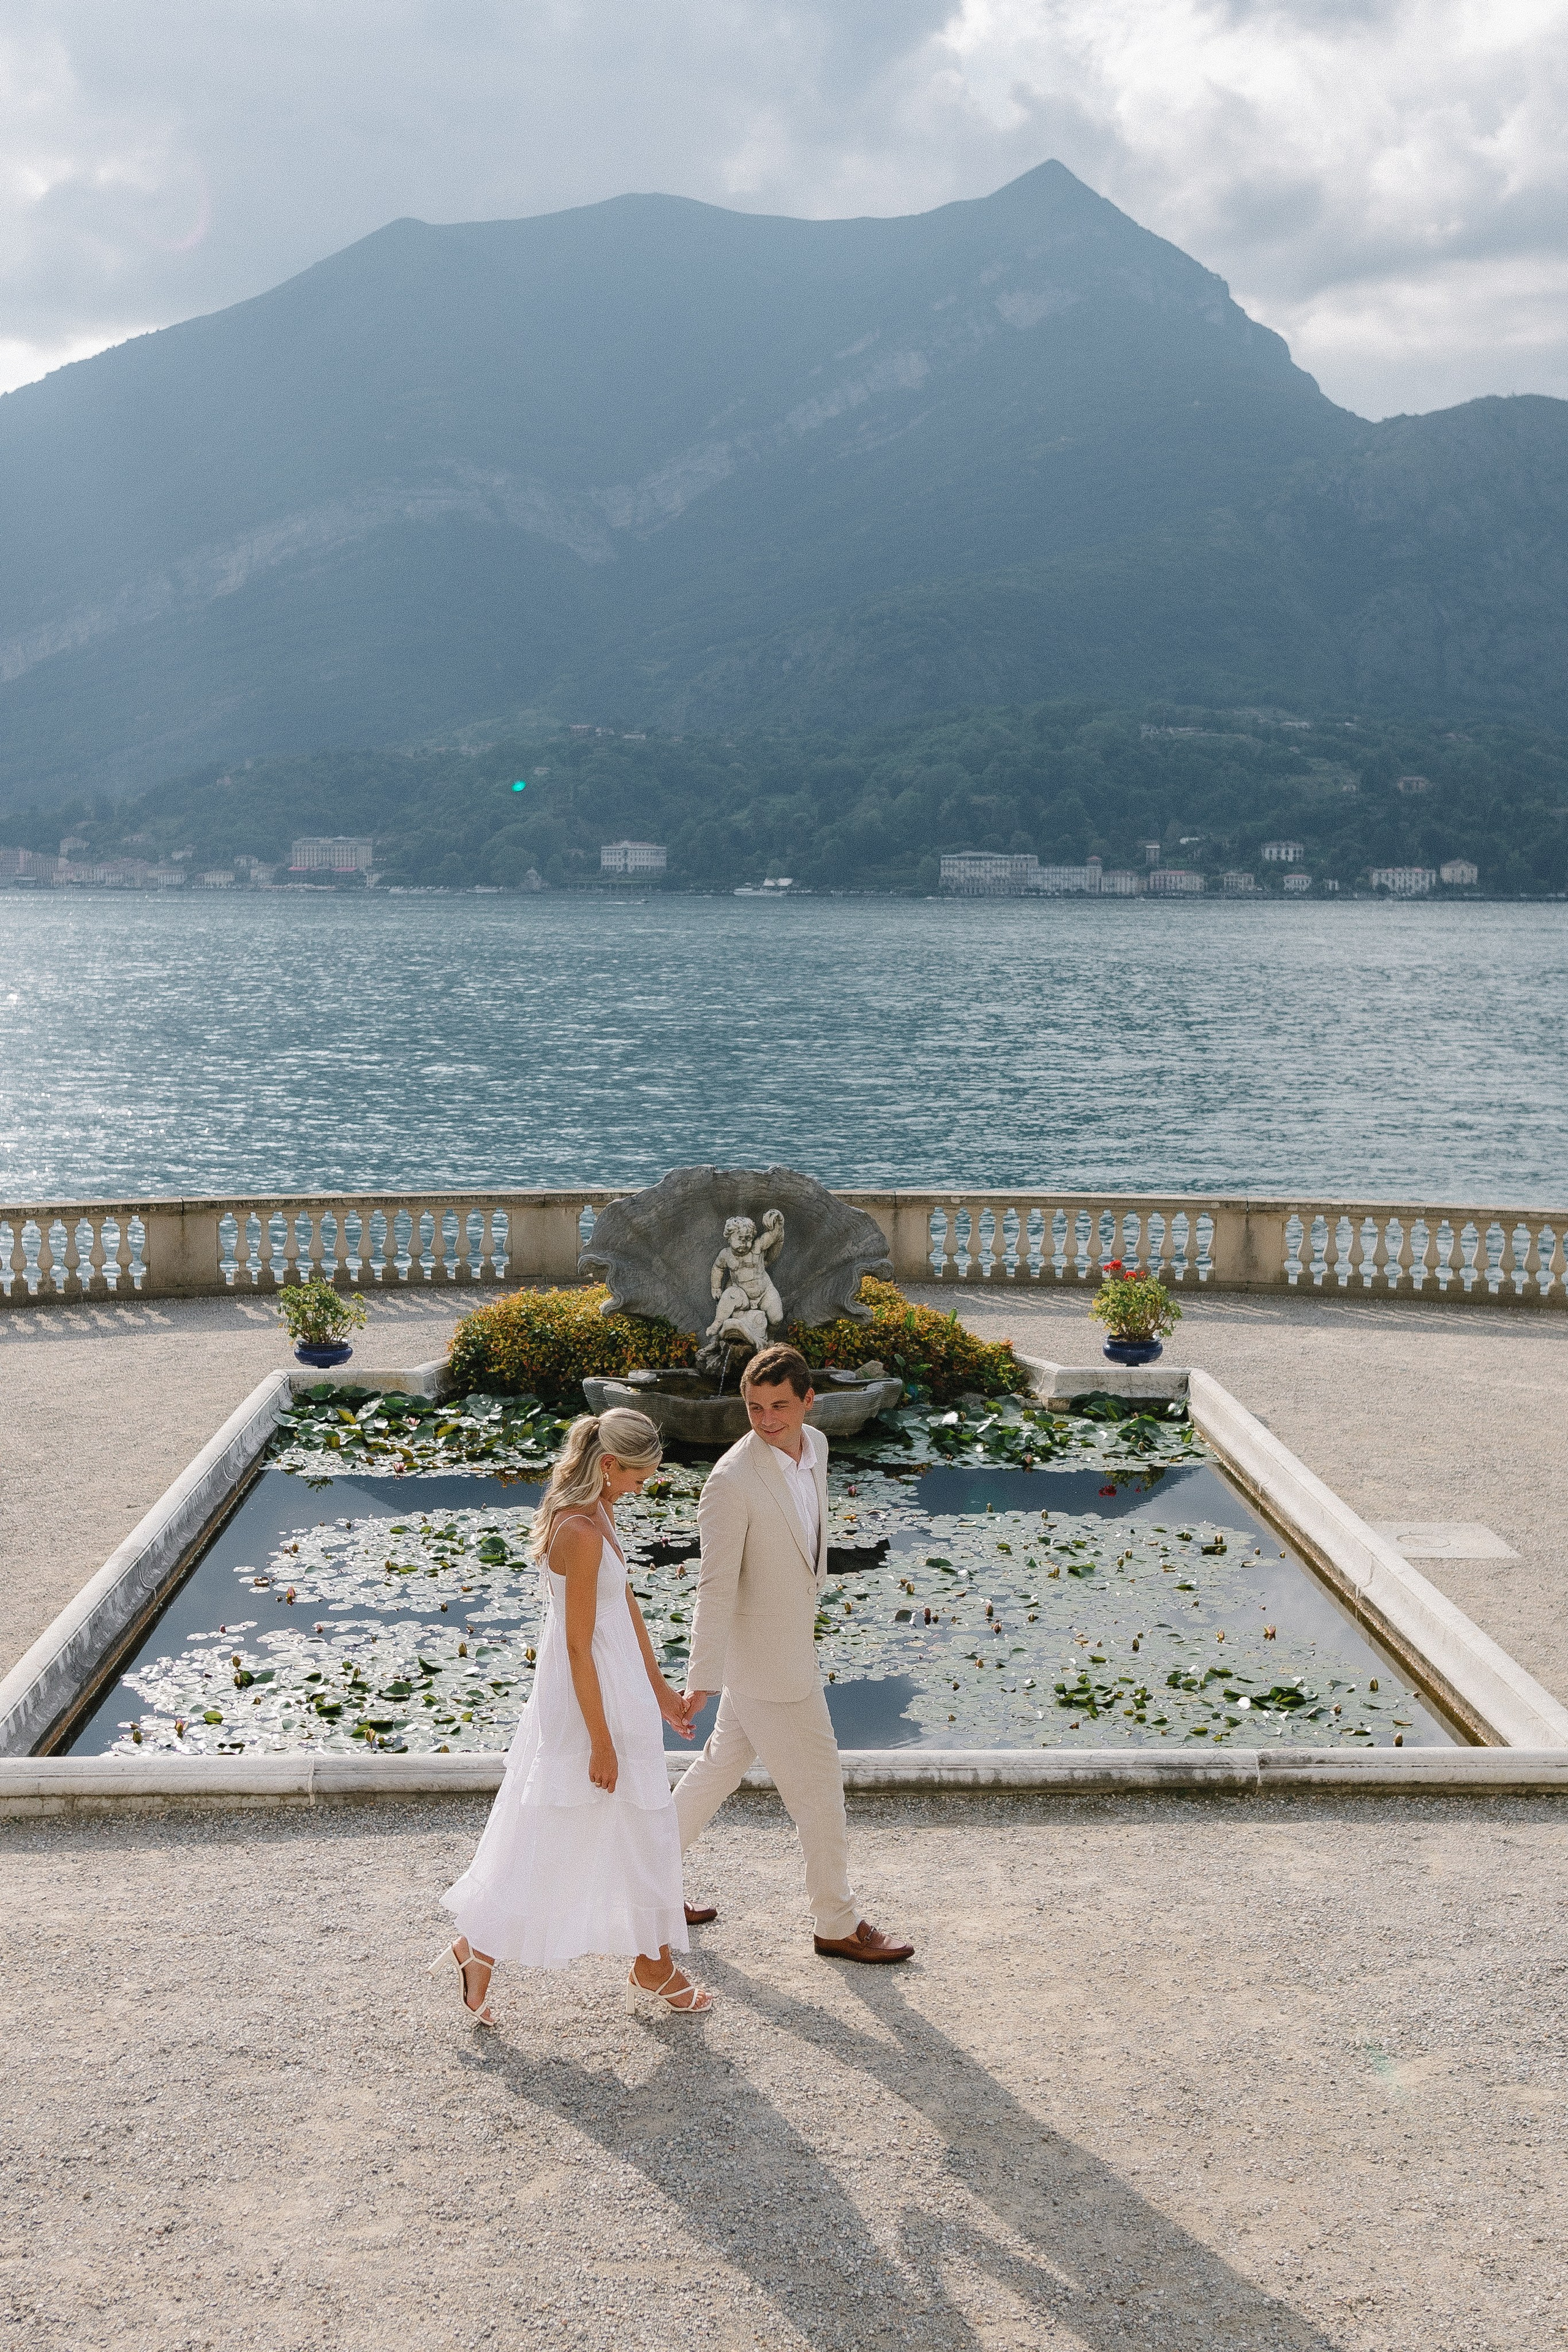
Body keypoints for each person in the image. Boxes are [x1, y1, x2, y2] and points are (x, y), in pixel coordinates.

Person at [433, 1407, 712, 2026]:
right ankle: (494, 1945)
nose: (643, 1487)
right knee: (558, 1830)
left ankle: (647, 1961)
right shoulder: (578, 1532)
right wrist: (601, 1741)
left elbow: (625, 1606)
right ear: (608, 1465)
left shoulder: (597, 1513)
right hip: (592, 1699)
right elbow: (578, 1644)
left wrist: (661, 1688)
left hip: (621, 1692)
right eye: (638, 1476)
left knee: (637, 1830)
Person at [675, 1343, 915, 1964]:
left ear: (809, 1402)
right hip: (767, 1668)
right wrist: (700, 1678)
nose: (767, 1420)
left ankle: (641, 1881)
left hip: (789, 1647)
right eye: (755, 1408)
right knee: (820, 1793)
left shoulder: (818, 1449)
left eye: (780, 1406)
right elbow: (714, 1583)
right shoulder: (730, 1482)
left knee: (716, 1771)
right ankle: (835, 1923)